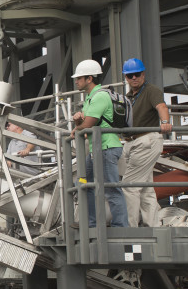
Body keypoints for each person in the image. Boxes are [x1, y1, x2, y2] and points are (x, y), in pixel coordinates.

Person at [70, 59, 128, 228]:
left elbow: (88, 125)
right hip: (98, 148)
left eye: (79, 78)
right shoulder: (90, 98)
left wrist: (78, 126)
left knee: (111, 188)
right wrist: (78, 124)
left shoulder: (100, 96)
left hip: (107, 148)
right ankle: (92, 223)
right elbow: (84, 127)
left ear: (89, 79)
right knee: (83, 184)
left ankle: (120, 226)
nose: (76, 81)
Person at [118, 58, 172, 227]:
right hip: (133, 142)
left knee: (129, 186)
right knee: (146, 189)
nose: (134, 78)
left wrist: (165, 122)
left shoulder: (151, 90)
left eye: (137, 74)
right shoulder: (127, 97)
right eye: (129, 75)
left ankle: (129, 228)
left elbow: (161, 107)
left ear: (143, 74)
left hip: (145, 141)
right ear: (126, 78)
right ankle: (153, 227)